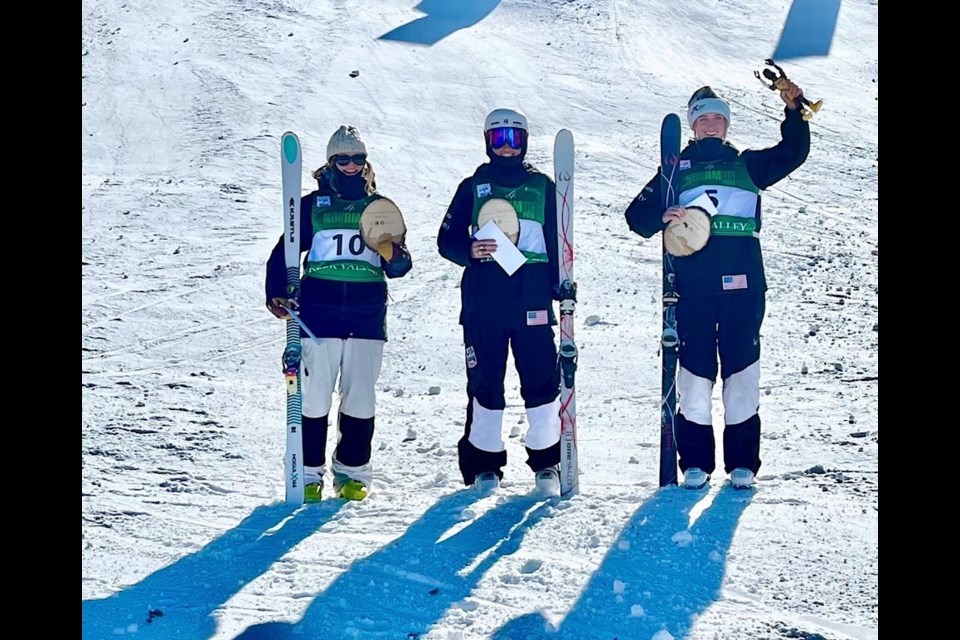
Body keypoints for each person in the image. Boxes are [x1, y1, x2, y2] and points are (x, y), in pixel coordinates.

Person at [625, 82, 810, 489]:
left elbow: (793, 153)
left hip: (744, 286)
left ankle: (742, 462)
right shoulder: (675, 170)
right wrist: (662, 214)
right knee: (695, 375)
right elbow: (635, 217)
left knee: (742, 372)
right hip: (692, 288)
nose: (711, 125)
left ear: (726, 125)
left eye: (718, 118)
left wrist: (794, 113)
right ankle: (695, 462)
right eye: (703, 119)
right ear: (693, 126)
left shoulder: (747, 165)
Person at [265, 125, 412, 502]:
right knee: (313, 398)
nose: (350, 165)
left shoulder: (379, 208)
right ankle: (308, 473)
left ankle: (352, 472)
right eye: (342, 159)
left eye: (357, 159)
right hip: (319, 313)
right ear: (330, 163)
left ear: (366, 163)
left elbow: (400, 266)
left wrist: (390, 252)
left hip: (366, 315)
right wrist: (277, 293)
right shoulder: (314, 205)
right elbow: (284, 251)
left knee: (360, 397)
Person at [437, 108, 563, 496]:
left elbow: (560, 242)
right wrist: (469, 248)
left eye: (513, 138)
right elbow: (447, 238)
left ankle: (547, 463)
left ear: (524, 141)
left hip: (532, 299)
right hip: (484, 303)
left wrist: (563, 287)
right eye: (498, 139)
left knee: (541, 381)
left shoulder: (543, 187)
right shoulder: (473, 186)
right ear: (488, 142)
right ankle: (484, 464)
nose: (507, 147)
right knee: (485, 382)